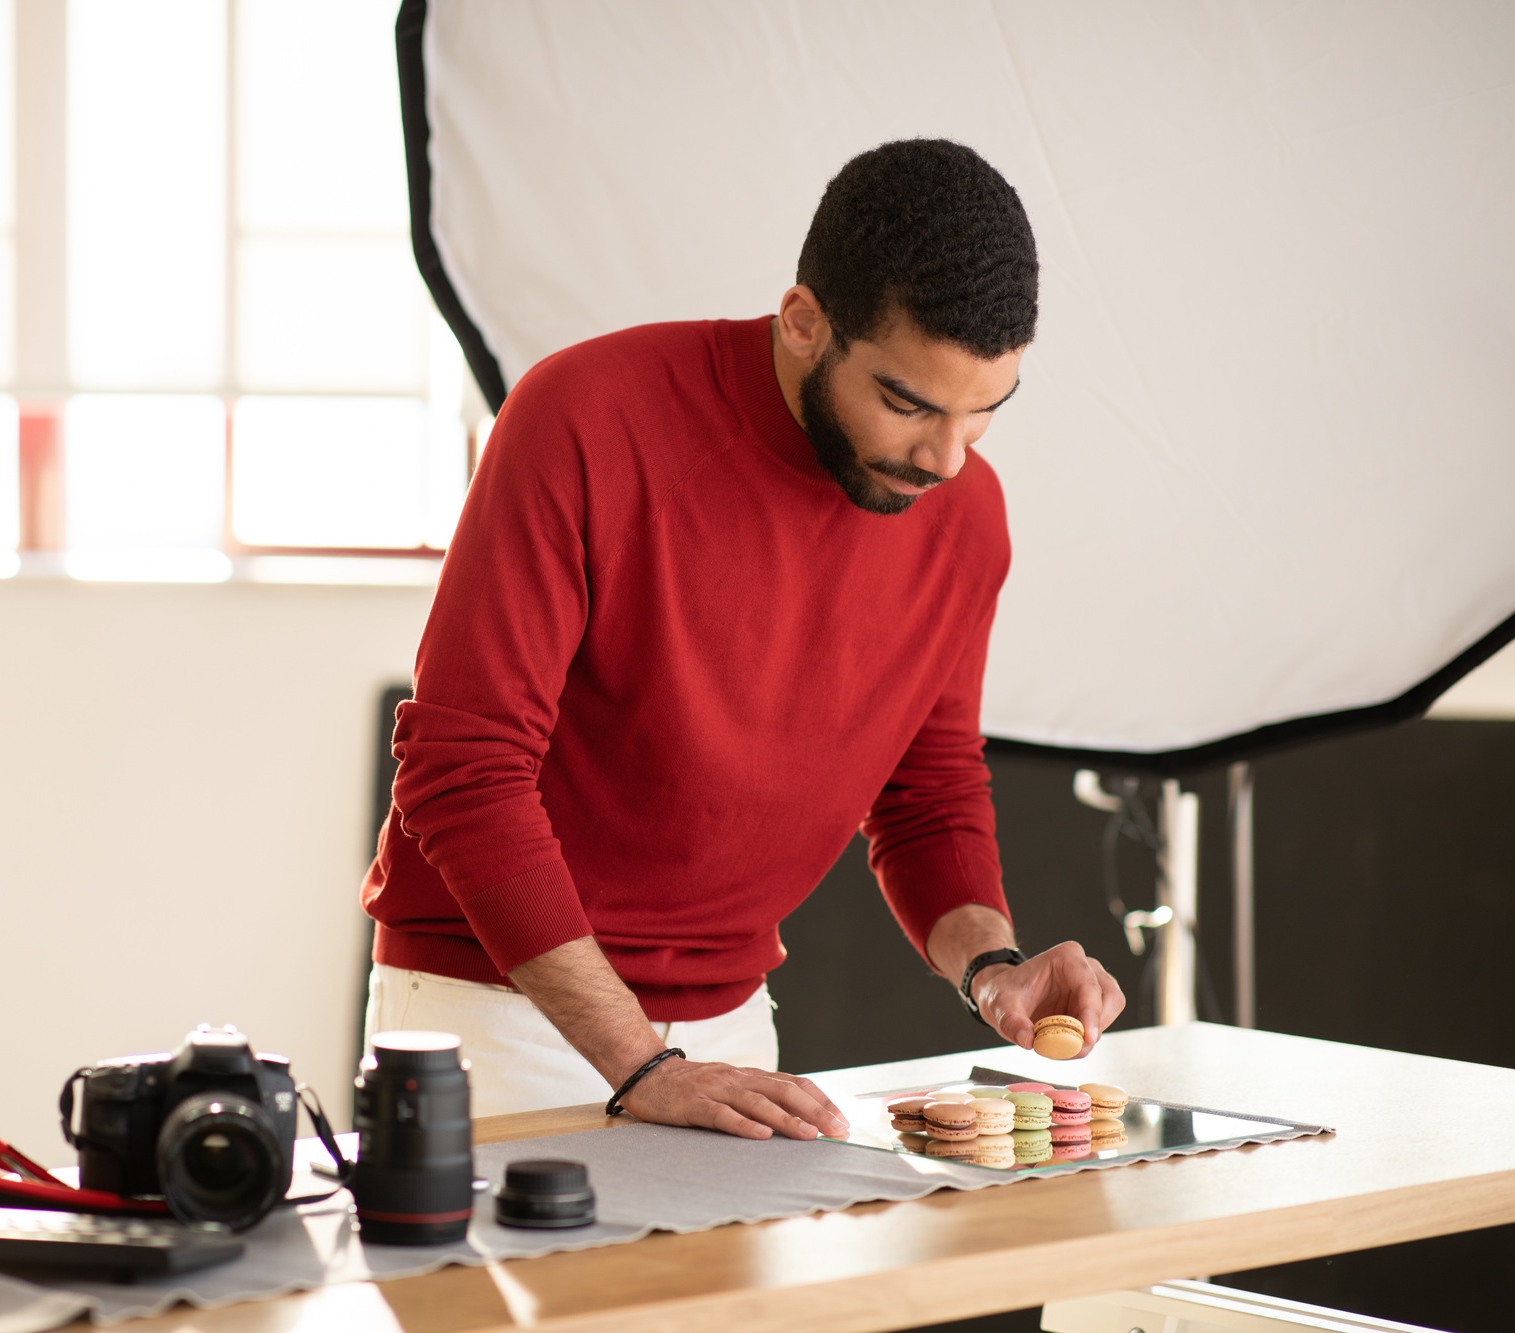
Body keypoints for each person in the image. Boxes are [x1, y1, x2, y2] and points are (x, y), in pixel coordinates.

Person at [361, 139, 1127, 1138]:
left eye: (981, 413)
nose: (943, 458)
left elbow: (924, 791)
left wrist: (992, 968)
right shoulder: (582, 418)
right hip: (497, 1018)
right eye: (904, 403)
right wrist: (641, 1063)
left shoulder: (964, 512)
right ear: (804, 321)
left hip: (728, 1035)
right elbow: (461, 774)